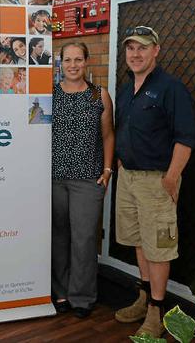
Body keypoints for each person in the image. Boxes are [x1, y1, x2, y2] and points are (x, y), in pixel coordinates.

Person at [113, 26, 195, 338]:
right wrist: (122, 162)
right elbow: (124, 129)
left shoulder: (170, 88)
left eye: (142, 48)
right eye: (131, 48)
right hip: (129, 180)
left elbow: (186, 138)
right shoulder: (126, 90)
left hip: (156, 181)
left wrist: (171, 177)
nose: (135, 54)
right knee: (139, 241)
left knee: (159, 248)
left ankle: (156, 312)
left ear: (156, 51)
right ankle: (144, 296)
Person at [51, 42, 114, 319]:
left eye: (78, 59)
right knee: (58, 237)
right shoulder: (48, 95)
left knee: (85, 239)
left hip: (88, 179)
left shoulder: (99, 96)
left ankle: (82, 297)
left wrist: (108, 169)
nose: (73, 65)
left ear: (86, 62)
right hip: (53, 179)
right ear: (60, 63)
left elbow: (108, 135)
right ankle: (60, 291)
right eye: (68, 60)